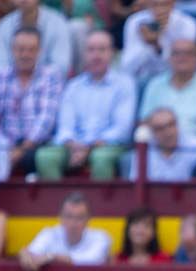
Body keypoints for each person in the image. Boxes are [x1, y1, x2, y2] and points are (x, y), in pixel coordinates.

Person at [35, 31, 135, 180]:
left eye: (102, 50)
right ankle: (59, 203)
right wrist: (73, 145)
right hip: (75, 145)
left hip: (109, 146)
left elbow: (122, 129)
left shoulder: (125, 84)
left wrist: (90, 147)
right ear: (85, 54)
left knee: (101, 158)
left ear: (112, 53)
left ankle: (102, 204)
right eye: (91, 50)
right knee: (45, 156)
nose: (96, 56)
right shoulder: (74, 86)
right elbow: (65, 126)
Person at [0, 27, 64, 174]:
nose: (25, 55)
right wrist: (5, 147)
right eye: (20, 49)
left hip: (39, 145)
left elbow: (47, 119)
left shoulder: (51, 76)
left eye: (31, 50)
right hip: (4, 146)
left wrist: (22, 149)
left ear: (39, 51)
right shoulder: (0, 77)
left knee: (40, 157)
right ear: (12, 50)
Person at [138, 39, 196, 140]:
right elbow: (144, 122)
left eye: (188, 53)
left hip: (194, 148)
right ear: (169, 58)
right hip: (159, 146)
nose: (182, 58)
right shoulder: (155, 84)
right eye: (176, 53)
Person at [20, 193, 111, 270]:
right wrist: (25, 255)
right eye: (68, 216)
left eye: (80, 218)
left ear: (88, 219)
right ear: (60, 218)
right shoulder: (49, 234)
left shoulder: (101, 237)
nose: (73, 223)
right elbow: (32, 254)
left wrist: (52, 257)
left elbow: (91, 260)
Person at [119, 0, 196, 85]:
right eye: (155, 4)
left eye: (164, 4)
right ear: (148, 3)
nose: (160, 10)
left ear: (173, 3)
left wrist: (159, 42)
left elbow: (183, 64)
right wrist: (148, 45)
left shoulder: (187, 24)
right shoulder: (135, 22)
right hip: (141, 81)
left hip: (173, 83)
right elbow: (126, 68)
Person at [122, 107, 196, 180]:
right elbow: (135, 185)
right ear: (152, 132)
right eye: (160, 128)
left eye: (171, 125)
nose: (168, 132)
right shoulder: (143, 151)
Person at [0, 0, 72, 77]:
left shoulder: (58, 22)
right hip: (11, 84)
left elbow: (61, 66)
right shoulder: (4, 24)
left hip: (49, 85)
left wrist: (32, 81)